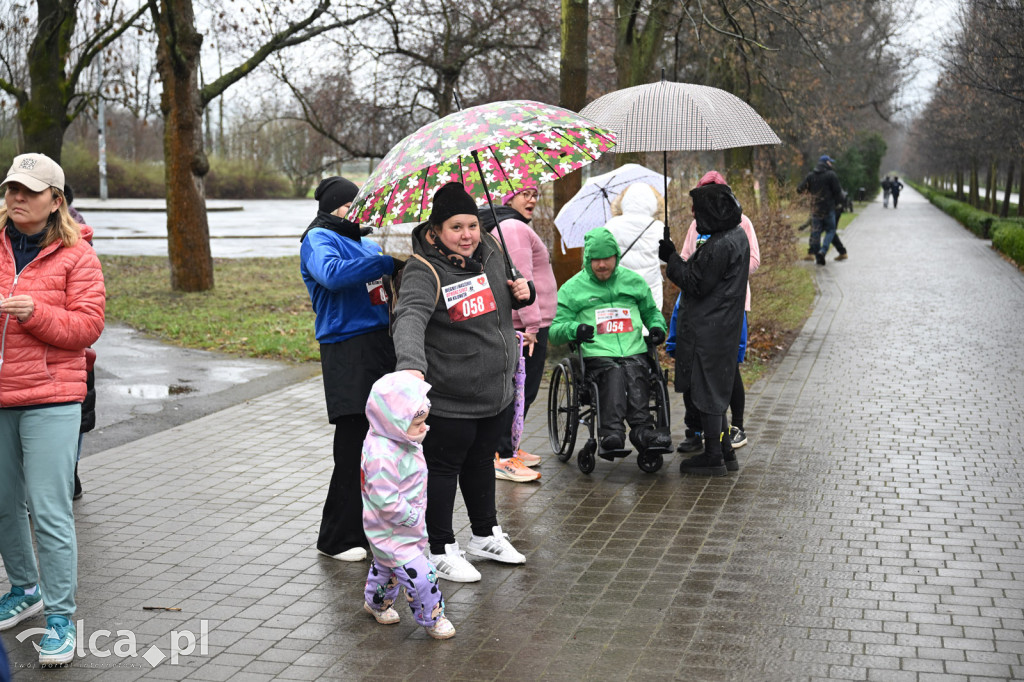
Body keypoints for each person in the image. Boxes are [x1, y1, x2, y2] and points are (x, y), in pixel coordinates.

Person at [393, 182, 533, 583]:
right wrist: (411, 367)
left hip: (495, 389)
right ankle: (439, 548)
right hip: (451, 392)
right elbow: (410, 317)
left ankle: (485, 534)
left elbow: (506, 297)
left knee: (481, 461)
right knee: (443, 468)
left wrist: (523, 292)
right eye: (456, 227)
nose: (467, 235)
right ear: (436, 231)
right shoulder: (424, 269)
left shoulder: (492, 250)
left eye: (472, 225)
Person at [0, 153, 106, 666]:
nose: (17, 197)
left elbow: (88, 327)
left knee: (48, 509)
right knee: (4, 504)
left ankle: (60, 618)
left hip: (52, 397)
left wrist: (36, 313)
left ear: (56, 200)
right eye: (11, 188)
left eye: (29, 190)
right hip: (0, 397)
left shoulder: (77, 255)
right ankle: (24, 590)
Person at [300, 175, 401, 563]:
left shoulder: (367, 242)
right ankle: (336, 538)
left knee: (379, 442)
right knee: (352, 440)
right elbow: (332, 275)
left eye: (360, 205)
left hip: (380, 344)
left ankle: (369, 527)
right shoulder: (318, 238)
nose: (358, 212)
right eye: (350, 205)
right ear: (334, 208)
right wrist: (381, 263)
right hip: (345, 347)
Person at [549, 227, 671, 455]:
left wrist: (657, 327)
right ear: (587, 260)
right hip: (597, 354)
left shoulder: (633, 282)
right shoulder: (572, 289)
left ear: (616, 256)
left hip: (634, 350)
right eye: (596, 260)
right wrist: (575, 329)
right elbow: (554, 330)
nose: (602, 264)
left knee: (635, 371)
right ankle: (611, 432)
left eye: (607, 258)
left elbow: (651, 312)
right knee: (613, 372)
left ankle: (642, 431)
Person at [659, 179, 748, 476]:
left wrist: (671, 257)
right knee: (715, 389)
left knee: (708, 391)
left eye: (696, 210)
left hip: (709, 329)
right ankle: (724, 452)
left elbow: (695, 283)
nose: (694, 215)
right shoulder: (734, 236)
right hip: (722, 325)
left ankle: (713, 456)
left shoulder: (721, 244)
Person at [360, 372, 455, 640]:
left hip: (395, 526)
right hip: (393, 528)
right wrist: (411, 515)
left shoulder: (396, 438)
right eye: (417, 423)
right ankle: (433, 617)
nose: (424, 428)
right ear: (393, 422)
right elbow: (385, 499)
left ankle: (376, 603)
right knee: (421, 575)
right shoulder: (382, 455)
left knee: (386, 567)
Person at [673, 171, 760, 453]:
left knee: (727, 367)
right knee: (698, 368)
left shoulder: (740, 224)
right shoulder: (696, 225)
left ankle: (736, 427)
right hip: (699, 309)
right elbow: (687, 257)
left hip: (729, 307)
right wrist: (686, 265)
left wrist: (721, 275)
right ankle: (701, 432)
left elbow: (752, 259)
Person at [480, 185, 556, 482]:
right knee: (520, 390)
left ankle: (510, 446)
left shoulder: (511, 225)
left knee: (523, 390)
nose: (532, 199)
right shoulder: (512, 228)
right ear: (508, 198)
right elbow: (520, 281)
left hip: (528, 324)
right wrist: (532, 326)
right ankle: (502, 456)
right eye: (525, 193)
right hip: (526, 327)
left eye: (535, 194)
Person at [604, 183, 665, 312]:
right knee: (649, 321)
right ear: (652, 203)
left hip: (621, 288)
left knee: (623, 322)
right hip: (650, 291)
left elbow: (603, 255)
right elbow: (665, 259)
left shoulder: (612, 225)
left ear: (624, 201)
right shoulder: (658, 227)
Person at [797, 154, 845, 266]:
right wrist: (839, 203)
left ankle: (817, 253)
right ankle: (823, 251)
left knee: (816, 232)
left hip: (816, 209)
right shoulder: (831, 175)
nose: (831, 164)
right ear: (826, 163)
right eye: (830, 162)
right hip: (829, 209)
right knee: (831, 230)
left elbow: (799, 189)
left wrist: (810, 194)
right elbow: (838, 192)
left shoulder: (811, 176)